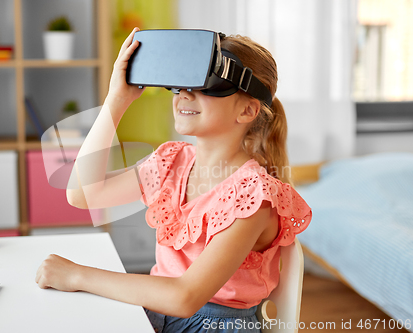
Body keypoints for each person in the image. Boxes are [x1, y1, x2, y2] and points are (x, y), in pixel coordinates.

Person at [35, 27, 312, 333]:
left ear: (247, 109)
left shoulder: (253, 197)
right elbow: (82, 194)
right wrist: (116, 101)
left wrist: (77, 276)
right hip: (156, 313)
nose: (185, 94)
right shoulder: (172, 163)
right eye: (180, 85)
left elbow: (185, 297)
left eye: (206, 85)